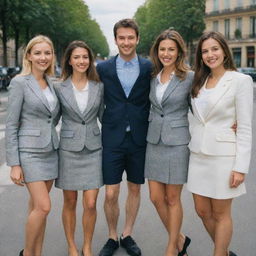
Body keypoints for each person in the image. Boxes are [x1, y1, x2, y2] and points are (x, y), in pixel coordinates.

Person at [187, 31, 253, 256]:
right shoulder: (199, 80)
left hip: (224, 157)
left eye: (214, 49)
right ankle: (223, 251)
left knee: (221, 213)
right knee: (202, 211)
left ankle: (219, 253)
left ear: (224, 51)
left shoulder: (241, 81)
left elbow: (244, 127)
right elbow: (196, 119)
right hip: (198, 155)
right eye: (205, 51)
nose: (210, 54)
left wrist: (240, 167)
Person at [96, 18, 152, 256]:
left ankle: (127, 233)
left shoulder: (150, 67)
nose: (126, 42)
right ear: (116, 39)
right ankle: (111, 235)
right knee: (110, 192)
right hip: (112, 137)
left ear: (137, 39)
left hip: (139, 138)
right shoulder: (103, 69)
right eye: (122, 38)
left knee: (135, 189)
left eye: (131, 37)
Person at [5, 35, 60, 256]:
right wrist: (14, 163)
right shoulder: (20, 82)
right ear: (29, 55)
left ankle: (37, 252)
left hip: (50, 151)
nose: (43, 57)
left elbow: (52, 118)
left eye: (47, 53)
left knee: (37, 209)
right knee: (44, 206)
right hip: (30, 153)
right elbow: (11, 124)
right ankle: (27, 253)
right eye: (37, 53)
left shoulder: (51, 83)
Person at [144, 30, 193, 256]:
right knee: (155, 197)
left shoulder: (189, 77)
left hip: (176, 144)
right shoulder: (153, 76)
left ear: (179, 52)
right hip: (154, 142)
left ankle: (171, 248)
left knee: (173, 199)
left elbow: (203, 108)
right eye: (162, 49)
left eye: (171, 49)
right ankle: (180, 239)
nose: (166, 53)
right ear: (157, 52)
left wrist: (228, 124)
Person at [54, 40, 104, 256]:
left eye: (85, 57)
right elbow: (51, 119)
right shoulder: (59, 86)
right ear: (69, 61)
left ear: (90, 60)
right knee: (70, 201)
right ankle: (72, 246)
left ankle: (87, 246)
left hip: (94, 149)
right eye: (77, 57)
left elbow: (106, 117)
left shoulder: (99, 86)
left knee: (91, 203)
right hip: (68, 150)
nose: (81, 61)